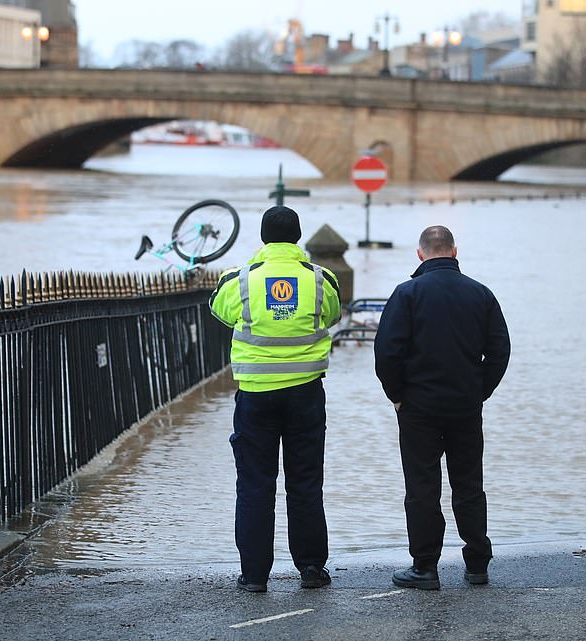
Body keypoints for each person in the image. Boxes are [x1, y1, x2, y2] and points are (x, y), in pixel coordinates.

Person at [209, 205, 342, 593]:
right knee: (305, 483)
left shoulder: (241, 281)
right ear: (298, 237)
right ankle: (312, 569)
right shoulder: (321, 280)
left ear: (264, 238)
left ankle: (254, 576)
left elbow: (219, 310)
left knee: (254, 485)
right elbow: (331, 315)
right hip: (306, 395)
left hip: (255, 398)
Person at [374, 225, 510, 590]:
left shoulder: (406, 294)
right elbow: (500, 351)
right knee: (468, 484)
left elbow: (387, 352)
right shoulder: (481, 294)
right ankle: (478, 563)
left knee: (422, 486)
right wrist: (480, 390)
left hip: (418, 408)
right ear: (453, 251)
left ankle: (425, 567)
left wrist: (397, 395)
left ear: (420, 254)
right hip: (465, 406)